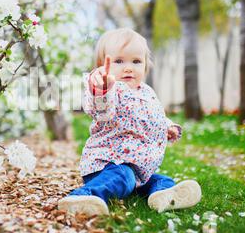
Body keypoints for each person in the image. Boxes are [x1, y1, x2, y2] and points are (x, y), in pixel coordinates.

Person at [58, 28, 201, 216]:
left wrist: (167, 126)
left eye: (136, 61)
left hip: (139, 170)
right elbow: (101, 112)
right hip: (107, 165)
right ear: (102, 66)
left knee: (160, 179)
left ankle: (163, 196)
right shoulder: (111, 90)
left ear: (145, 66)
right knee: (122, 177)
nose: (128, 67)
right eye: (118, 61)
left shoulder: (146, 92)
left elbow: (153, 114)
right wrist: (101, 90)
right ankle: (83, 197)